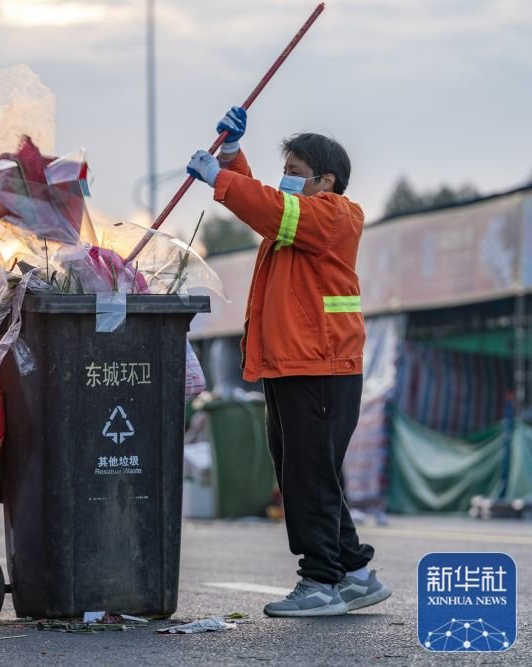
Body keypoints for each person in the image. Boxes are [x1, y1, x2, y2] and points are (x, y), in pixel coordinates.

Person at [186, 109, 392, 617]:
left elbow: (268, 206)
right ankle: (355, 572)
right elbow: (264, 202)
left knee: (309, 476)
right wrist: (231, 155)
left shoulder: (335, 216)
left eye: (297, 170)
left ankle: (320, 582)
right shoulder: (292, 224)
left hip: (320, 365)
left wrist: (220, 177)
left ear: (327, 180)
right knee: (307, 471)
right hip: (295, 364)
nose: (288, 179)